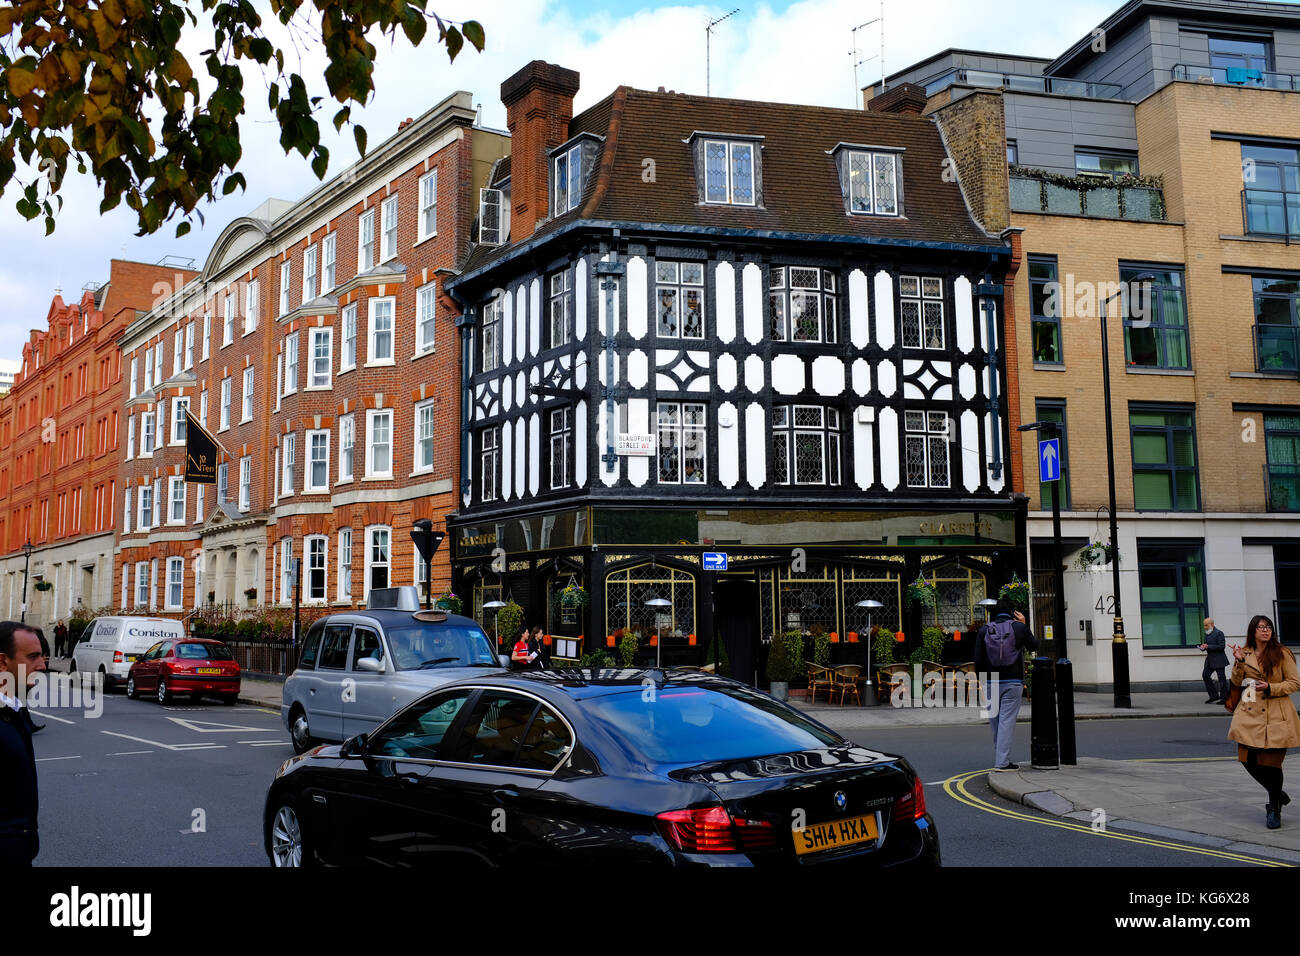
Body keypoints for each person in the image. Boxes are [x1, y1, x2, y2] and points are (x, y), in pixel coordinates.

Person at [1227, 614, 1300, 829]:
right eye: (1261, 627)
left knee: (1271, 763)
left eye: (1268, 627)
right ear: (1253, 631)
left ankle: (1274, 807)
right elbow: (1236, 681)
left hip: (1277, 713)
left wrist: (1270, 687)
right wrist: (1239, 662)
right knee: (1246, 759)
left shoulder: (1282, 653)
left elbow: (1295, 683)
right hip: (1250, 712)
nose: (1265, 630)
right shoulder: (1245, 652)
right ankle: (1278, 793)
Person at [0, 621, 46, 865]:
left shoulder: (13, 712)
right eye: (32, 657)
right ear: (2, 662)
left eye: (42, 656)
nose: (42, 666)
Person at [974, 600, 1038, 772]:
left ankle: (1001, 757)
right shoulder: (1018, 627)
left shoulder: (984, 630)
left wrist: (983, 682)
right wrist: (1024, 625)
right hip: (1013, 681)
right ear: (1012, 612)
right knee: (1006, 722)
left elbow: (978, 660)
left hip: (990, 680)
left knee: (995, 722)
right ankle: (1002, 761)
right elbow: (1034, 646)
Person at [1200, 616, 1228, 704]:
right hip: (1210, 660)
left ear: (1212, 624)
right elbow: (1207, 645)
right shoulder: (1207, 633)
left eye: (1206, 625)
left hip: (1219, 659)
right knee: (1205, 675)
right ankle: (1214, 696)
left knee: (1221, 679)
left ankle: (1224, 698)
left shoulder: (1219, 633)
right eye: (1204, 625)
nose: (1205, 627)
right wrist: (1203, 647)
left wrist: (1208, 646)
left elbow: (1221, 646)